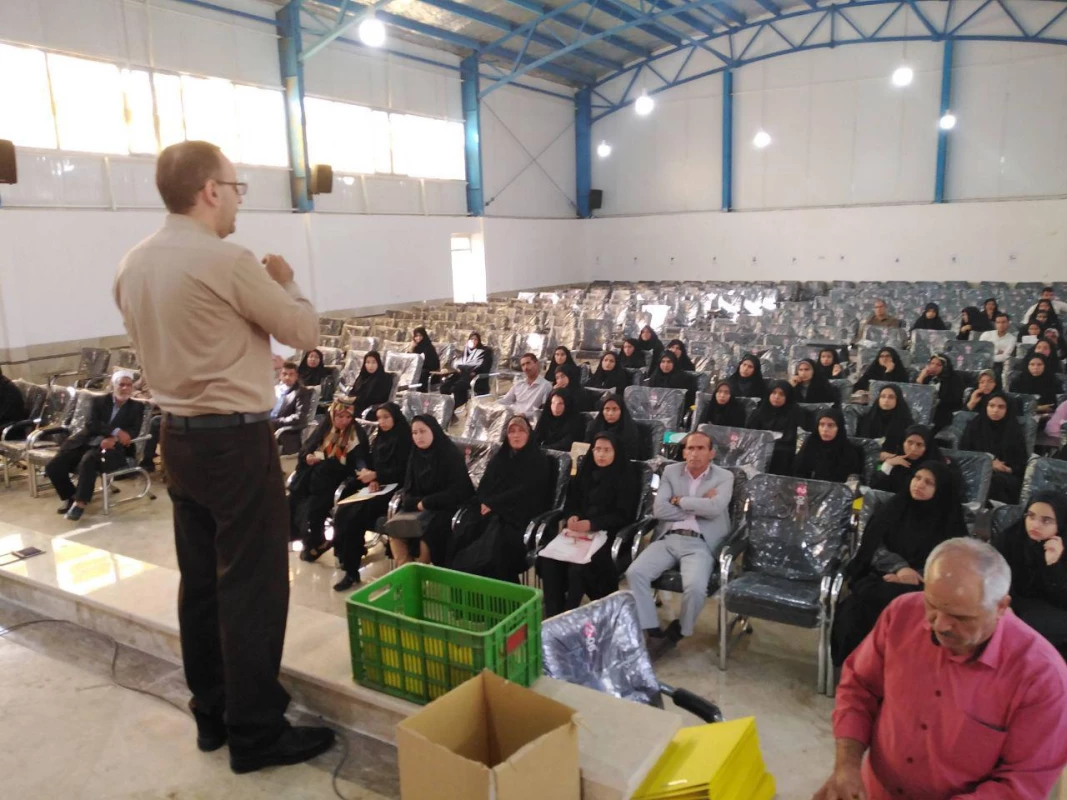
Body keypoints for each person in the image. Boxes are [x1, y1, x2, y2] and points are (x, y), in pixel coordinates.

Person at [112, 140, 330, 771]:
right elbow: (304, 335)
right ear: (209, 190)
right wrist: (285, 280)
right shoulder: (227, 259)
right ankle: (257, 732)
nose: (238, 199)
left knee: (202, 582)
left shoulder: (134, 263)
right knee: (253, 585)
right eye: (236, 187)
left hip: (176, 438)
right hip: (234, 441)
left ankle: (211, 714)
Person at [816, 538, 1067, 800]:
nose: (941, 625)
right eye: (933, 606)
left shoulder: (1042, 678)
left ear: (1001, 607)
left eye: (961, 617)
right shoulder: (902, 614)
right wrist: (847, 766)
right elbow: (859, 687)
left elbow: (1021, 782)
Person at [831, 461, 966, 666]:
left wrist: (912, 576)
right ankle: (860, 670)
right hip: (881, 574)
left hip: (927, 585)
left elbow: (951, 561)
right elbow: (872, 545)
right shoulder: (894, 507)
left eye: (928, 482)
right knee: (857, 608)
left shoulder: (949, 520)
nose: (919, 484)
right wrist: (899, 568)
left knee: (910, 608)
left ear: (941, 490)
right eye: (917, 478)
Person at [626, 431, 734, 658]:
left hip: (701, 543)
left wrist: (680, 500)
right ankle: (653, 631)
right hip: (669, 537)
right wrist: (702, 503)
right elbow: (660, 510)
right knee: (635, 573)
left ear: (711, 453)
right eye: (690, 448)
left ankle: (677, 632)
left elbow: (715, 509)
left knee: (695, 588)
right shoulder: (670, 471)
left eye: (700, 448)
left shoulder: (724, 477)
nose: (694, 453)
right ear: (684, 451)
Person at [538, 432, 638, 617]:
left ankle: (569, 616)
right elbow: (571, 503)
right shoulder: (585, 472)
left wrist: (592, 523)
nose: (601, 454)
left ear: (615, 452)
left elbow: (624, 516)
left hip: (610, 536)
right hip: (579, 534)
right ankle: (553, 616)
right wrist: (572, 517)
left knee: (579, 569)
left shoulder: (625, 476)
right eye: (597, 449)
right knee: (548, 560)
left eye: (606, 450)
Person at [449, 415, 552, 582]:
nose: (516, 435)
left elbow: (526, 492)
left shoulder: (538, 460)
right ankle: (468, 595)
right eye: (512, 432)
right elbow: (485, 485)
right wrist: (484, 502)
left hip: (519, 517)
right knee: (464, 533)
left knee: (495, 548)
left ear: (529, 434)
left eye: (521, 431)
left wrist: (494, 504)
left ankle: (502, 598)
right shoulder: (500, 457)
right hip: (492, 512)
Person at [331, 403, 411, 591]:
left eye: (386, 417)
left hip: (396, 491)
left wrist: (378, 476)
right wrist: (371, 478)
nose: (381, 422)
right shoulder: (380, 438)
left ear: (395, 418)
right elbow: (371, 462)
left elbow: (404, 471)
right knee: (343, 511)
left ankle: (351, 571)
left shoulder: (405, 439)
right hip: (377, 487)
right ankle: (348, 562)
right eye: (379, 418)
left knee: (355, 515)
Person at [46, 371, 145, 521]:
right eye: (121, 385)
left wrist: (115, 440)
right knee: (54, 466)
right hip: (86, 441)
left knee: (89, 460)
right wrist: (115, 431)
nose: (125, 388)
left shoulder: (136, 407)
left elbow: (132, 432)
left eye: (129, 385)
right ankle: (71, 496)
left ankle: (80, 504)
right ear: (113, 385)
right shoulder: (99, 401)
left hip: (115, 449)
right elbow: (92, 424)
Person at [287, 397, 370, 563]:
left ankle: (315, 543)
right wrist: (308, 457)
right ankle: (312, 541)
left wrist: (364, 470)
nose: (344, 421)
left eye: (348, 417)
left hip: (337, 478)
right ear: (333, 415)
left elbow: (360, 459)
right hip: (315, 476)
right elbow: (308, 448)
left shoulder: (355, 433)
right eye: (340, 417)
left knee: (313, 507)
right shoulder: (325, 428)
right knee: (293, 501)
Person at [387, 415, 474, 567]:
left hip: (446, 508)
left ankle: (421, 571)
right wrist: (416, 503)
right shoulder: (415, 454)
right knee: (395, 531)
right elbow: (408, 488)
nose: (418, 437)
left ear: (433, 430)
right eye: (414, 433)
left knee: (428, 537)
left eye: (422, 431)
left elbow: (458, 491)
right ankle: (408, 575)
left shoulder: (449, 453)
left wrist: (427, 502)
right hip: (419, 507)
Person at [996, 491, 1067, 657]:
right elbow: (995, 577)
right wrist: (1006, 606)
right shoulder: (1010, 537)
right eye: (1031, 516)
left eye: (1046, 520)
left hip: (1053, 610)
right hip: (1011, 603)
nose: (1035, 524)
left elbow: (1063, 601)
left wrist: (1053, 565)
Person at [959, 391, 1028, 505]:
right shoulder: (975, 426)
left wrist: (1008, 469)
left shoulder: (1014, 431)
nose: (995, 410)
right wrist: (988, 462)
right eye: (991, 406)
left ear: (1008, 409)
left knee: (996, 482)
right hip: (976, 470)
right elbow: (964, 454)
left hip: (1006, 477)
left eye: (1001, 407)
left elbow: (1022, 464)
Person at [746, 380, 805, 475]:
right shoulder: (758, 412)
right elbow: (750, 435)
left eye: (781, 394)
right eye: (773, 393)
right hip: (759, 453)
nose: (776, 397)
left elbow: (792, 440)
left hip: (783, 456)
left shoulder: (795, 413)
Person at [870, 425, 947, 495]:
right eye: (909, 442)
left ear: (927, 447)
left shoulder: (937, 468)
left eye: (919, 444)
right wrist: (888, 465)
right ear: (903, 442)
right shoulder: (892, 459)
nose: (913, 449)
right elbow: (875, 490)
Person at [793, 409, 863, 483]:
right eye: (821, 424)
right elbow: (798, 474)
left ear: (839, 428)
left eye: (830, 425)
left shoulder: (849, 451)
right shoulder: (810, 444)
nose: (825, 429)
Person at [856, 384, 913, 459]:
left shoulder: (907, 422)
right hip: (866, 458)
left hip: (894, 461)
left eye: (891, 397)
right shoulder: (866, 419)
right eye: (883, 396)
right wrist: (876, 455)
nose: (886, 400)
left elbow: (907, 448)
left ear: (898, 400)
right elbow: (858, 443)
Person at [439, 332, 489, 409]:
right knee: (444, 386)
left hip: (474, 376)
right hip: (461, 374)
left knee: (456, 388)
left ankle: (453, 407)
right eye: (471, 339)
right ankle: (446, 407)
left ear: (479, 341)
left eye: (475, 339)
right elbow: (459, 363)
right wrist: (458, 368)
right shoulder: (466, 351)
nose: (473, 341)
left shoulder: (485, 352)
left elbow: (485, 367)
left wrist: (474, 371)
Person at [271, 361, 312, 454]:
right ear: (280, 375)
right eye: (284, 374)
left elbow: (300, 416)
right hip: (268, 424)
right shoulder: (275, 389)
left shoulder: (301, 392)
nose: (287, 377)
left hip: (285, 429)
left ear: (296, 376)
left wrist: (277, 421)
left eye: (291, 374)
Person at [916, 354, 963, 432]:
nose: (934, 367)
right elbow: (915, 396)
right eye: (932, 363)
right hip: (925, 411)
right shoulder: (927, 376)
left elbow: (952, 400)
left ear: (945, 367)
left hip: (944, 413)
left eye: (938, 365)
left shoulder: (954, 378)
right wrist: (921, 378)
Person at [585, 393, 642, 458]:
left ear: (621, 411)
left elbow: (631, 456)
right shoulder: (593, 427)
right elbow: (586, 452)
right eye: (607, 409)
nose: (610, 413)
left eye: (615, 409)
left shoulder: (629, 429)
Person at [498, 352, 552, 417]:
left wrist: (525, 415)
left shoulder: (545, 386)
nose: (525, 368)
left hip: (526, 421)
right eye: (523, 365)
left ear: (536, 364)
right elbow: (505, 400)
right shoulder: (519, 384)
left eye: (528, 363)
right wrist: (490, 405)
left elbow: (544, 411)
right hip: (511, 415)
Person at [346, 351, 392, 420]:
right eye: (367, 362)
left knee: (344, 414)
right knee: (336, 409)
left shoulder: (384, 378)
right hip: (356, 406)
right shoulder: (362, 376)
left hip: (372, 410)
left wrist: (356, 399)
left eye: (374, 362)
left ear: (378, 363)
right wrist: (348, 399)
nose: (370, 365)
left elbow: (378, 398)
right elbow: (353, 391)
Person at [410, 327, 440, 391]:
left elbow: (434, 364)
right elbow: (409, 360)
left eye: (420, 336)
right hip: (415, 369)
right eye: (416, 336)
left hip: (428, 371)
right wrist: (412, 348)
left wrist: (420, 366)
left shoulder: (429, 347)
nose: (418, 338)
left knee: (421, 372)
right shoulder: (415, 346)